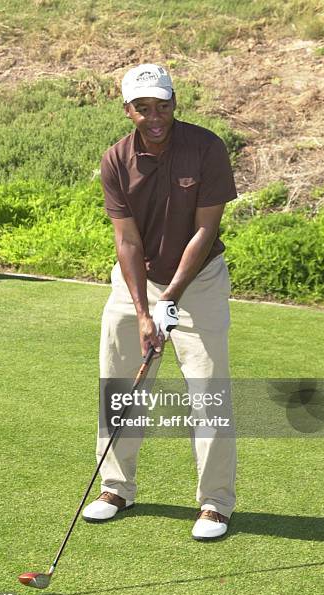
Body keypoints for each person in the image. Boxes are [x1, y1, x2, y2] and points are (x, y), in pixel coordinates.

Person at [82, 64, 238, 540]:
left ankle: (215, 503)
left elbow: (205, 229)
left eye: (162, 105)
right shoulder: (115, 160)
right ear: (127, 109)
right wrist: (146, 309)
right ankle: (116, 488)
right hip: (137, 283)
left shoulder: (206, 147)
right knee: (121, 385)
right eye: (143, 108)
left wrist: (171, 299)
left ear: (174, 102)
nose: (155, 117)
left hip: (200, 280)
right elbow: (126, 242)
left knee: (208, 391)